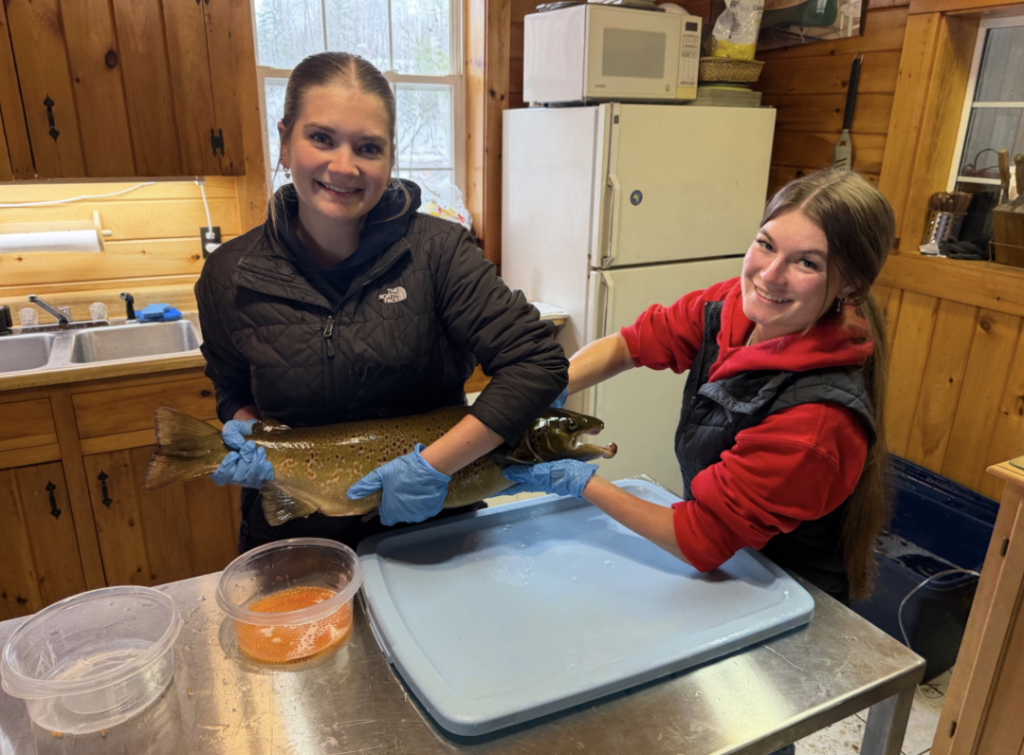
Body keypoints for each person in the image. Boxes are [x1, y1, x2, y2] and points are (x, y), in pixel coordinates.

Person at [196, 51, 567, 552]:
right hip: (295, 534)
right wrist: (252, 436)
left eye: (368, 147)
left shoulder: (440, 252)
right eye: (321, 138)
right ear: (284, 140)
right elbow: (231, 385)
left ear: (391, 157)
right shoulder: (228, 274)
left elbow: (538, 363)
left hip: (433, 529)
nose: (343, 166)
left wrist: (431, 467)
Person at [505, 169, 895, 608]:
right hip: (731, 566)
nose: (770, 275)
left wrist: (580, 482)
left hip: (785, 593)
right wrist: (543, 389)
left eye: (807, 263)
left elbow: (699, 540)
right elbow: (630, 345)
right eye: (766, 244)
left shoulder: (816, 423)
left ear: (850, 286)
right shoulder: (732, 306)